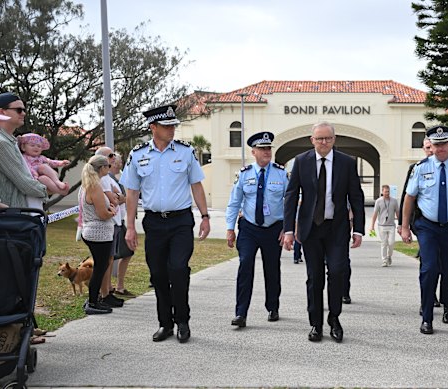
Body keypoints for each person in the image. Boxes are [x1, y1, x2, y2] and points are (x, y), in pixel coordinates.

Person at [120, 104, 210, 344]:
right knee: (158, 273)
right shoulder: (137, 155)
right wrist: (130, 226)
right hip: (154, 222)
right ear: (153, 127)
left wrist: (205, 216)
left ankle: (182, 320)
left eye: (173, 125)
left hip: (181, 221)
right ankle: (165, 323)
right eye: (166, 126)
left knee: (178, 269)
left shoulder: (185, 152)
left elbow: (196, 185)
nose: (172, 129)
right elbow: (131, 192)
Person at [283, 121, 365, 343]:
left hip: (336, 229)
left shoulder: (347, 163)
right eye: (319, 138)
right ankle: (315, 324)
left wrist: (358, 229)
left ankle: (335, 319)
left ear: (334, 139)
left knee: (337, 272)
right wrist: (288, 230)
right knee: (314, 278)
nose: (324, 142)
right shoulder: (301, 162)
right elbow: (291, 196)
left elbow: (356, 197)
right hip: (311, 229)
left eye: (328, 138)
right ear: (312, 140)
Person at [401, 125, 448, 335]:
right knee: (429, 268)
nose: (440, 148)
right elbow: (409, 198)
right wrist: (405, 226)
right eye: (436, 144)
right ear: (430, 146)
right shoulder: (420, 168)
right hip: (427, 226)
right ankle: (427, 317)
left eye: (444, 144)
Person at [225, 131, 288, 328]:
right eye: (262, 149)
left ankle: (272, 307)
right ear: (254, 152)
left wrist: (287, 228)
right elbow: (234, 203)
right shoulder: (244, 174)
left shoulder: (281, 173)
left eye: (269, 148)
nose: (267, 152)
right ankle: (241, 313)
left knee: (272, 269)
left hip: (273, 229)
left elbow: (290, 202)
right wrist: (229, 228)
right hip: (249, 228)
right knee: (245, 266)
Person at [398, 137, 441, 309]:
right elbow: (406, 196)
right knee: (429, 261)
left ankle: (442, 294)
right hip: (423, 223)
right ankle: (429, 296)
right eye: (427, 148)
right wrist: (403, 224)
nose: (430, 151)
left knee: (443, 263)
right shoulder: (416, 168)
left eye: (433, 147)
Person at [79, 155, 117, 314]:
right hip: (98, 233)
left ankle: (94, 299)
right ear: (101, 168)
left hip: (92, 230)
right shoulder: (95, 186)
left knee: (100, 266)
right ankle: (93, 302)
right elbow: (102, 214)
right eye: (108, 165)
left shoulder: (86, 185)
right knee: (100, 268)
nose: (110, 168)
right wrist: (112, 212)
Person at [0, 92, 47, 207]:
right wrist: (47, 190)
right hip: (11, 217)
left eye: (24, 110)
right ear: (1, 112)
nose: (24, 114)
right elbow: (24, 183)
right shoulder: (2, 143)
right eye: (19, 110)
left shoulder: (10, 141)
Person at [94, 147, 125, 309]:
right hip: (107, 223)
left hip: (114, 222)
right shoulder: (103, 178)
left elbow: (119, 197)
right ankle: (103, 293)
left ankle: (107, 291)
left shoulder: (108, 177)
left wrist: (117, 197)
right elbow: (114, 199)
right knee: (105, 261)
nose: (113, 158)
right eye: (110, 155)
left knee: (109, 259)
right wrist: (117, 197)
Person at [110, 152, 135, 297]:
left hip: (120, 221)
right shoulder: (107, 178)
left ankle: (119, 286)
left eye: (119, 161)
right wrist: (124, 199)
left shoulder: (121, 177)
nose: (119, 163)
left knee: (127, 252)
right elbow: (116, 199)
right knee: (109, 256)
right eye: (116, 161)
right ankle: (107, 289)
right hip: (113, 222)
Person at [370, 184, 399, 267]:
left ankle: (389, 256)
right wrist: (372, 226)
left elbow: (397, 212)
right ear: (382, 192)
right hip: (382, 225)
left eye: (388, 191)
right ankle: (384, 260)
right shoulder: (378, 201)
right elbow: (375, 214)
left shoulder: (394, 201)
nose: (387, 193)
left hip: (391, 225)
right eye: (385, 192)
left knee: (391, 243)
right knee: (384, 243)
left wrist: (400, 224)